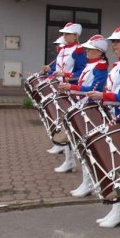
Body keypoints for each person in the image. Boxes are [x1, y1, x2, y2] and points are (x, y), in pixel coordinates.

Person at [86, 26, 120, 227]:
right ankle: (117, 210)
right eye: (113, 41)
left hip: (119, 119)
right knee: (112, 166)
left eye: (118, 41)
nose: (113, 44)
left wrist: (103, 96)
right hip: (111, 116)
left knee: (118, 167)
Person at [58, 35, 109, 197]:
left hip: (91, 109)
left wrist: (73, 87)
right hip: (83, 106)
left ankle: (89, 183)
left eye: (91, 49)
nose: (87, 51)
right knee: (82, 145)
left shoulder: (100, 65)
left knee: (88, 147)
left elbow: (95, 87)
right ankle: (85, 181)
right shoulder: (91, 64)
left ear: (99, 52)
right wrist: (73, 88)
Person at [41, 22, 87, 173]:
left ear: (75, 36)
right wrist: (49, 77)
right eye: (64, 34)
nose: (64, 36)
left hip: (71, 92)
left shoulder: (79, 51)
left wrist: (66, 76)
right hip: (60, 90)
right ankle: (69, 160)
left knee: (70, 126)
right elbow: (55, 69)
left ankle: (71, 161)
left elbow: (83, 72)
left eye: (68, 34)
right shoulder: (63, 50)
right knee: (62, 124)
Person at [46, 35, 67, 156]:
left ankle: (61, 145)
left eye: (59, 45)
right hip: (59, 86)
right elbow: (55, 69)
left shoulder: (67, 56)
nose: (57, 48)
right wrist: (49, 74)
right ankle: (58, 143)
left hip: (65, 88)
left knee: (61, 118)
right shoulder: (60, 56)